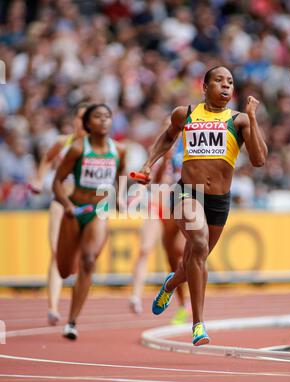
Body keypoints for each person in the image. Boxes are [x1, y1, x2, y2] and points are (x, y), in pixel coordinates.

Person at [139, 66, 268, 345]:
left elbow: (259, 160)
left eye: (230, 82)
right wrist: (148, 164)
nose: (226, 86)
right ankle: (198, 325)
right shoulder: (184, 114)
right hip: (188, 192)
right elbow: (167, 137)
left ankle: (171, 283)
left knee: (196, 259)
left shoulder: (240, 120)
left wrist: (254, 118)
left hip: (219, 201)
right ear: (205, 87)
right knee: (198, 244)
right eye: (219, 80)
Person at [53, 103, 126, 340]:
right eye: (97, 117)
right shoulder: (77, 149)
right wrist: (67, 206)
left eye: (107, 116)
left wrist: (120, 199)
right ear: (88, 124)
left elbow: (120, 178)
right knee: (64, 271)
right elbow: (57, 182)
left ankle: (72, 321)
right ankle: (69, 268)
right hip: (75, 210)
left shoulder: (119, 150)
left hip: (99, 211)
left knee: (87, 260)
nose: (104, 121)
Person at [31, 103, 88, 326]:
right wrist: (38, 179)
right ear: (74, 120)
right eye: (80, 118)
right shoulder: (62, 142)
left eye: (87, 119)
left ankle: (74, 312)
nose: (82, 123)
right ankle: (53, 308)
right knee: (56, 253)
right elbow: (46, 159)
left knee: (82, 259)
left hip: (83, 206)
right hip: (60, 204)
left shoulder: (96, 147)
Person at [129, 141, 188, 325]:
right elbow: (152, 181)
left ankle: (185, 304)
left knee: (178, 257)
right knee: (145, 249)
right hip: (159, 206)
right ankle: (135, 297)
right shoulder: (159, 151)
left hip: (182, 207)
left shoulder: (191, 146)